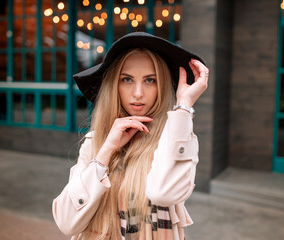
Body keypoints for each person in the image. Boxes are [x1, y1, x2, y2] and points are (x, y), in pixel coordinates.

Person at [52, 32, 209, 240]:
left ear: (161, 85)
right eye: (127, 79)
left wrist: (183, 107)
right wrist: (106, 150)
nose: (137, 93)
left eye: (150, 80)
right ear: (113, 85)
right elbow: (66, 223)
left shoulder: (172, 141)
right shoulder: (95, 142)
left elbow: (164, 194)